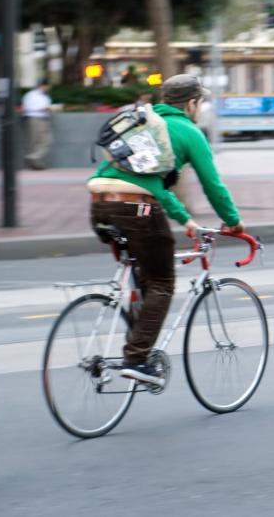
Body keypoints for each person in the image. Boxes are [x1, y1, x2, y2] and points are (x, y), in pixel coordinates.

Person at [86, 74, 243, 386]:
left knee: (145, 271)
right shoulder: (188, 130)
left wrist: (185, 221)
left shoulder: (145, 122)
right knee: (162, 283)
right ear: (192, 103)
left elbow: (152, 185)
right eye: (200, 102)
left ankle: (137, 337)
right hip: (137, 207)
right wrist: (233, 220)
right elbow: (213, 185)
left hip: (100, 201)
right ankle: (137, 359)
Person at [21, 81, 53, 169]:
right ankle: (35, 163)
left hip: (44, 119)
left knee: (46, 140)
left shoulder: (45, 96)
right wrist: (43, 108)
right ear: (42, 85)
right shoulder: (31, 95)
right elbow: (27, 107)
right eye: (48, 86)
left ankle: (33, 157)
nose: (49, 88)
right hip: (34, 118)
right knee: (34, 141)